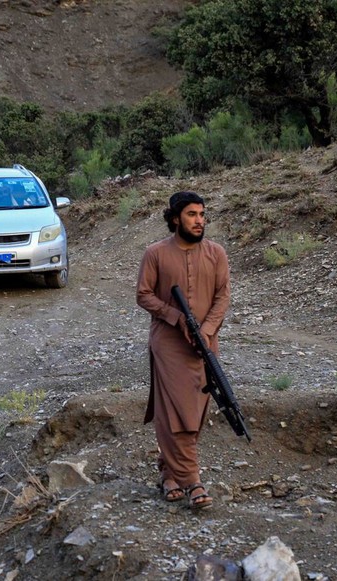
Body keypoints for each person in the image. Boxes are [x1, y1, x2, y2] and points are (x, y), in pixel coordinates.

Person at [136, 191, 230, 510]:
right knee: (176, 411)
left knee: (196, 411)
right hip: (169, 344)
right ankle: (192, 480)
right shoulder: (155, 253)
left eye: (202, 215)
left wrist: (204, 331)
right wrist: (175, 317)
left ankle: (169, 473)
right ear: (175, 218)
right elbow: (144, 295)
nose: (199, 220)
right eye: (192, 214)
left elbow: (222, 298)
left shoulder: (216, 254)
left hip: (205, 344)